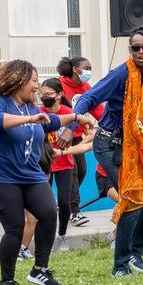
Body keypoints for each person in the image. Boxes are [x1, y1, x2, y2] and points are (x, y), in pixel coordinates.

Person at [73, 28, 143, 276]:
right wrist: (72, 124)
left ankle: (136, 252)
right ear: (130, 50)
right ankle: (120, 265)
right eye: (136, 48)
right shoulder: (120, 74)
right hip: (110, 144)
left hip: (139, 144)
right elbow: (89, 98)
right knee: (133, 198)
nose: (141, 52)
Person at [0, 60, 93, 285]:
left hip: (30, 174)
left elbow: (49, 122)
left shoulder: (30, 107)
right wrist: (30, 120)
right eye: (33, 81)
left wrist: (76, 118)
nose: (37, 87)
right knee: (15, 226)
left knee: (48, 213)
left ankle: (40, 270)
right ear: (17, 80)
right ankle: (7, 281)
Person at [39, 78, 90, 252]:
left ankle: (62, 236)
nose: (45, 97)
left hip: (64, 163)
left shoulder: (69, 113)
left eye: (49, 94)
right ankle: (45, 237)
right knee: (44, 205)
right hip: (44, 164)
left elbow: (88, 133)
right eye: (42, 94)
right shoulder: (37, 112)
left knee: (63, 201)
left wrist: (71, 150)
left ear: (59, 95)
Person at [56, 56, 102, 227]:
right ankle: (74, 212)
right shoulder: (60, 85)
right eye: (86, 68)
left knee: (81, 171)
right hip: (60, 136)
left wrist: (111, 123)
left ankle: (64, 204)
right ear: (76, 69)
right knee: (72, 172)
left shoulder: (86, 87)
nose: (89, 71)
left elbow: (98, 110)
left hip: (76, 137)